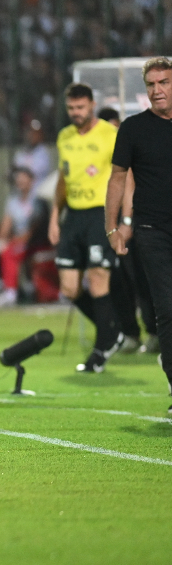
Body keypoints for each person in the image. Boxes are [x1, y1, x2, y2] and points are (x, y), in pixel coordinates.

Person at [106, 57, 172, 402]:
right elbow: (117, 177)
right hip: (152, 230)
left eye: (164, 82)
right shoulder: (133, 129)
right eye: (151, 84)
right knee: (168, 308)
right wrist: (112, 227)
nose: (157, 90)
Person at [50, 83, 123, 373]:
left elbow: (122, 174)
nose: (76, 113)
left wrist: (123, 217)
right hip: (73, 216)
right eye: (71, 108)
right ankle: (112, 331)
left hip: (100, 214)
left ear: (92, 105)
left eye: (80, 108)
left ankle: (101, 347)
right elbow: (63, 178)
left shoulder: (110, 134)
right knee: (69, 288)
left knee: (97, 280)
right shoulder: (65, 137)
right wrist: (56, 214)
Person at [98, 107, 159, 354]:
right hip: (103, 221)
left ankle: (153, 332)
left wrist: (126, 220)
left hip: (131, 223)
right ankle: (129, 333)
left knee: (142, 281)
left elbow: (128, 183)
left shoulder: (128, 147)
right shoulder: (93, 150)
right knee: (115, 281)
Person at [0, 167, 44, 307]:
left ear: (32, 181)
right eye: (19, 179)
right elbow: (6, 224)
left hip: (33, 243)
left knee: (9, 251)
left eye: (24, 178)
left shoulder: (37, 200)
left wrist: (11, 242)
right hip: (16, 241)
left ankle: (10, 293)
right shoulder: (13, 200)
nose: (20, 181)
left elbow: (34, 229)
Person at [12, 119, 53, 191]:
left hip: (38, 195)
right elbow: (13, 171)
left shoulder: (43, 153)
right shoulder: (22, 152)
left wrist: (20, 171)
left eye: (36, 133)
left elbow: (32, 172)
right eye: (30, 132)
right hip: (22, 195)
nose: (32, 135)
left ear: (41, 134)